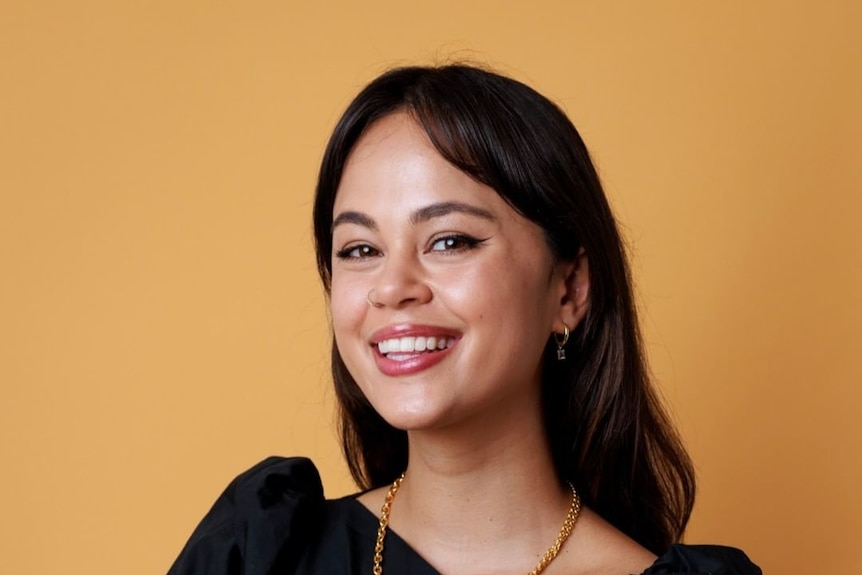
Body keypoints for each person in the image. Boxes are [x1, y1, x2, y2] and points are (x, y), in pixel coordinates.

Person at [167, 64, 761, 575]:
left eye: (449, 241)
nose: (393, 287)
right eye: (360, 250)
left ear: (569, 288)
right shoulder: (262, 555)